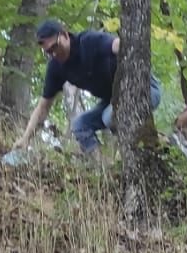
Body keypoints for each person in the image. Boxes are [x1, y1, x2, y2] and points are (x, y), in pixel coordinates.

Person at [9, 18, 161, 156]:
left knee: (109, 117)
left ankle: (153, 143)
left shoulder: (89, 42)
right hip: (113, 100)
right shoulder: (56, 68)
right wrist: (25, 139)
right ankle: (103, 169)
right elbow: (43, 107)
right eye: (49, 52)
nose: (54, 54)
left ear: (65, 35)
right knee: (80, 125)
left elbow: (120, 46)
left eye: (55, 46)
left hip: (146, 89)